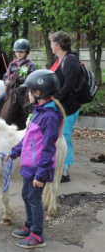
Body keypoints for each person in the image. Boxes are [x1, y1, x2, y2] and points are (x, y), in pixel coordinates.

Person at [3, 69, 65, 249]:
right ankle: (30, 226)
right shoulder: (38, 111)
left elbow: (48, 148)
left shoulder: (50, 116)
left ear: (39, 93)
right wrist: (13, 152)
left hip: (39, 168)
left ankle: (38, 235)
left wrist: (41, 174)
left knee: (34, 199)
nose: (27, 94)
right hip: (29, 165)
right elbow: (28, 138)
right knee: (26, 195)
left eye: (29, 90)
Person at [49, 31, 81, 183]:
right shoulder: (58, 59)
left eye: (52, 43)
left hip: (69, 107)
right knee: (59, 135)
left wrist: (54, 98)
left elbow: (68, 86)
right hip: (61, 105)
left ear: (58, 46)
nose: (50, 45)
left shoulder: (70, 61)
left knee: (65, 135)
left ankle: (65, 170)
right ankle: (57, 164)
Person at [0, 39, 36, 114]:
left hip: (24, 91)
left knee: (33, 104)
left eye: (21, 52)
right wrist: (7, 81)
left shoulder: (30, 65)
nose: (18, 54)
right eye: (17, 52)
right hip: (11, 90)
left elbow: (33, 78)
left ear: (26, 52)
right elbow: (5, 76)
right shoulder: (12, 64)